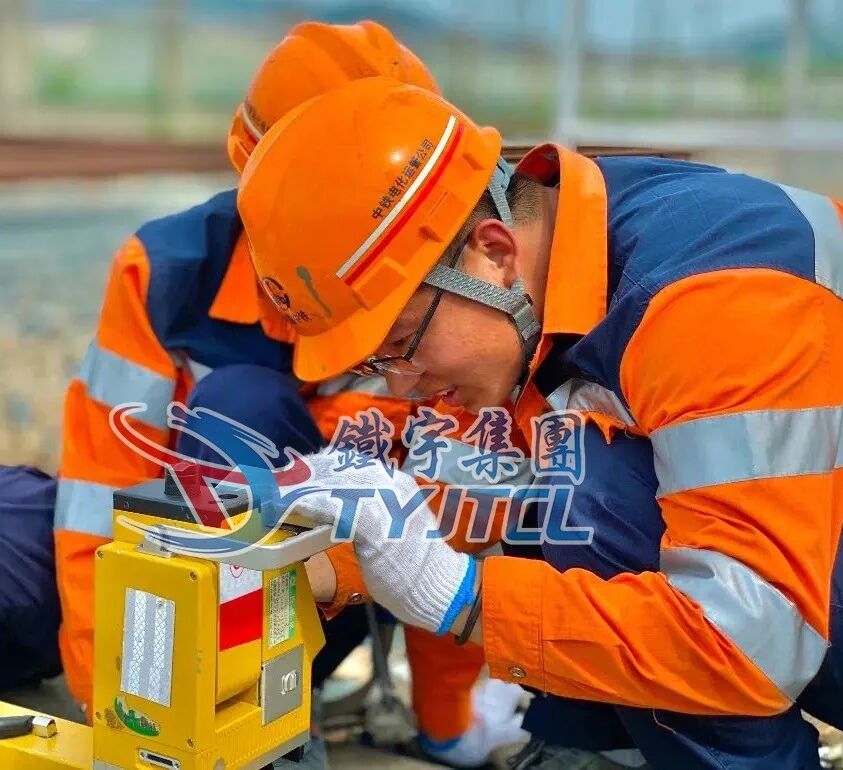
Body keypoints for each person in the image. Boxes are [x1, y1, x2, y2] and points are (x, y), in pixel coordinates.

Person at [237, 73, 843, 770]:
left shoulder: (711, 298)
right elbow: (467, 493)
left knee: (590, 493)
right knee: (579, 485)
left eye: (401, 344)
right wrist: (335, 558)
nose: (402, 383)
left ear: (492, 253)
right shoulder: (558, 271)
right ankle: (611, 749)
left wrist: (458, 599)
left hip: (772, 623)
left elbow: (749, 642)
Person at [54, 22, 522, 768]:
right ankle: (212, 714)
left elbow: (445, 526)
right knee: (234, 413)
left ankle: (265, 720)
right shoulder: (167, 277)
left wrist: (445, 723)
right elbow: (99, 499)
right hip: (193, 596)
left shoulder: (442, 314)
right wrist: (110, 703)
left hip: (346, 592)